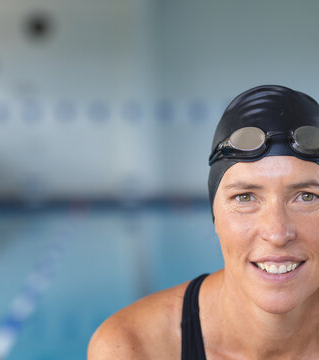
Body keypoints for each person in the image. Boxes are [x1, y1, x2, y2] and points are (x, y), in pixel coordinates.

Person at [88, 85, 319, 359]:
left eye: (307, 196)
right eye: (245, 197)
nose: (278, 233)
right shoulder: (133, 347)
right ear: (215, 216)